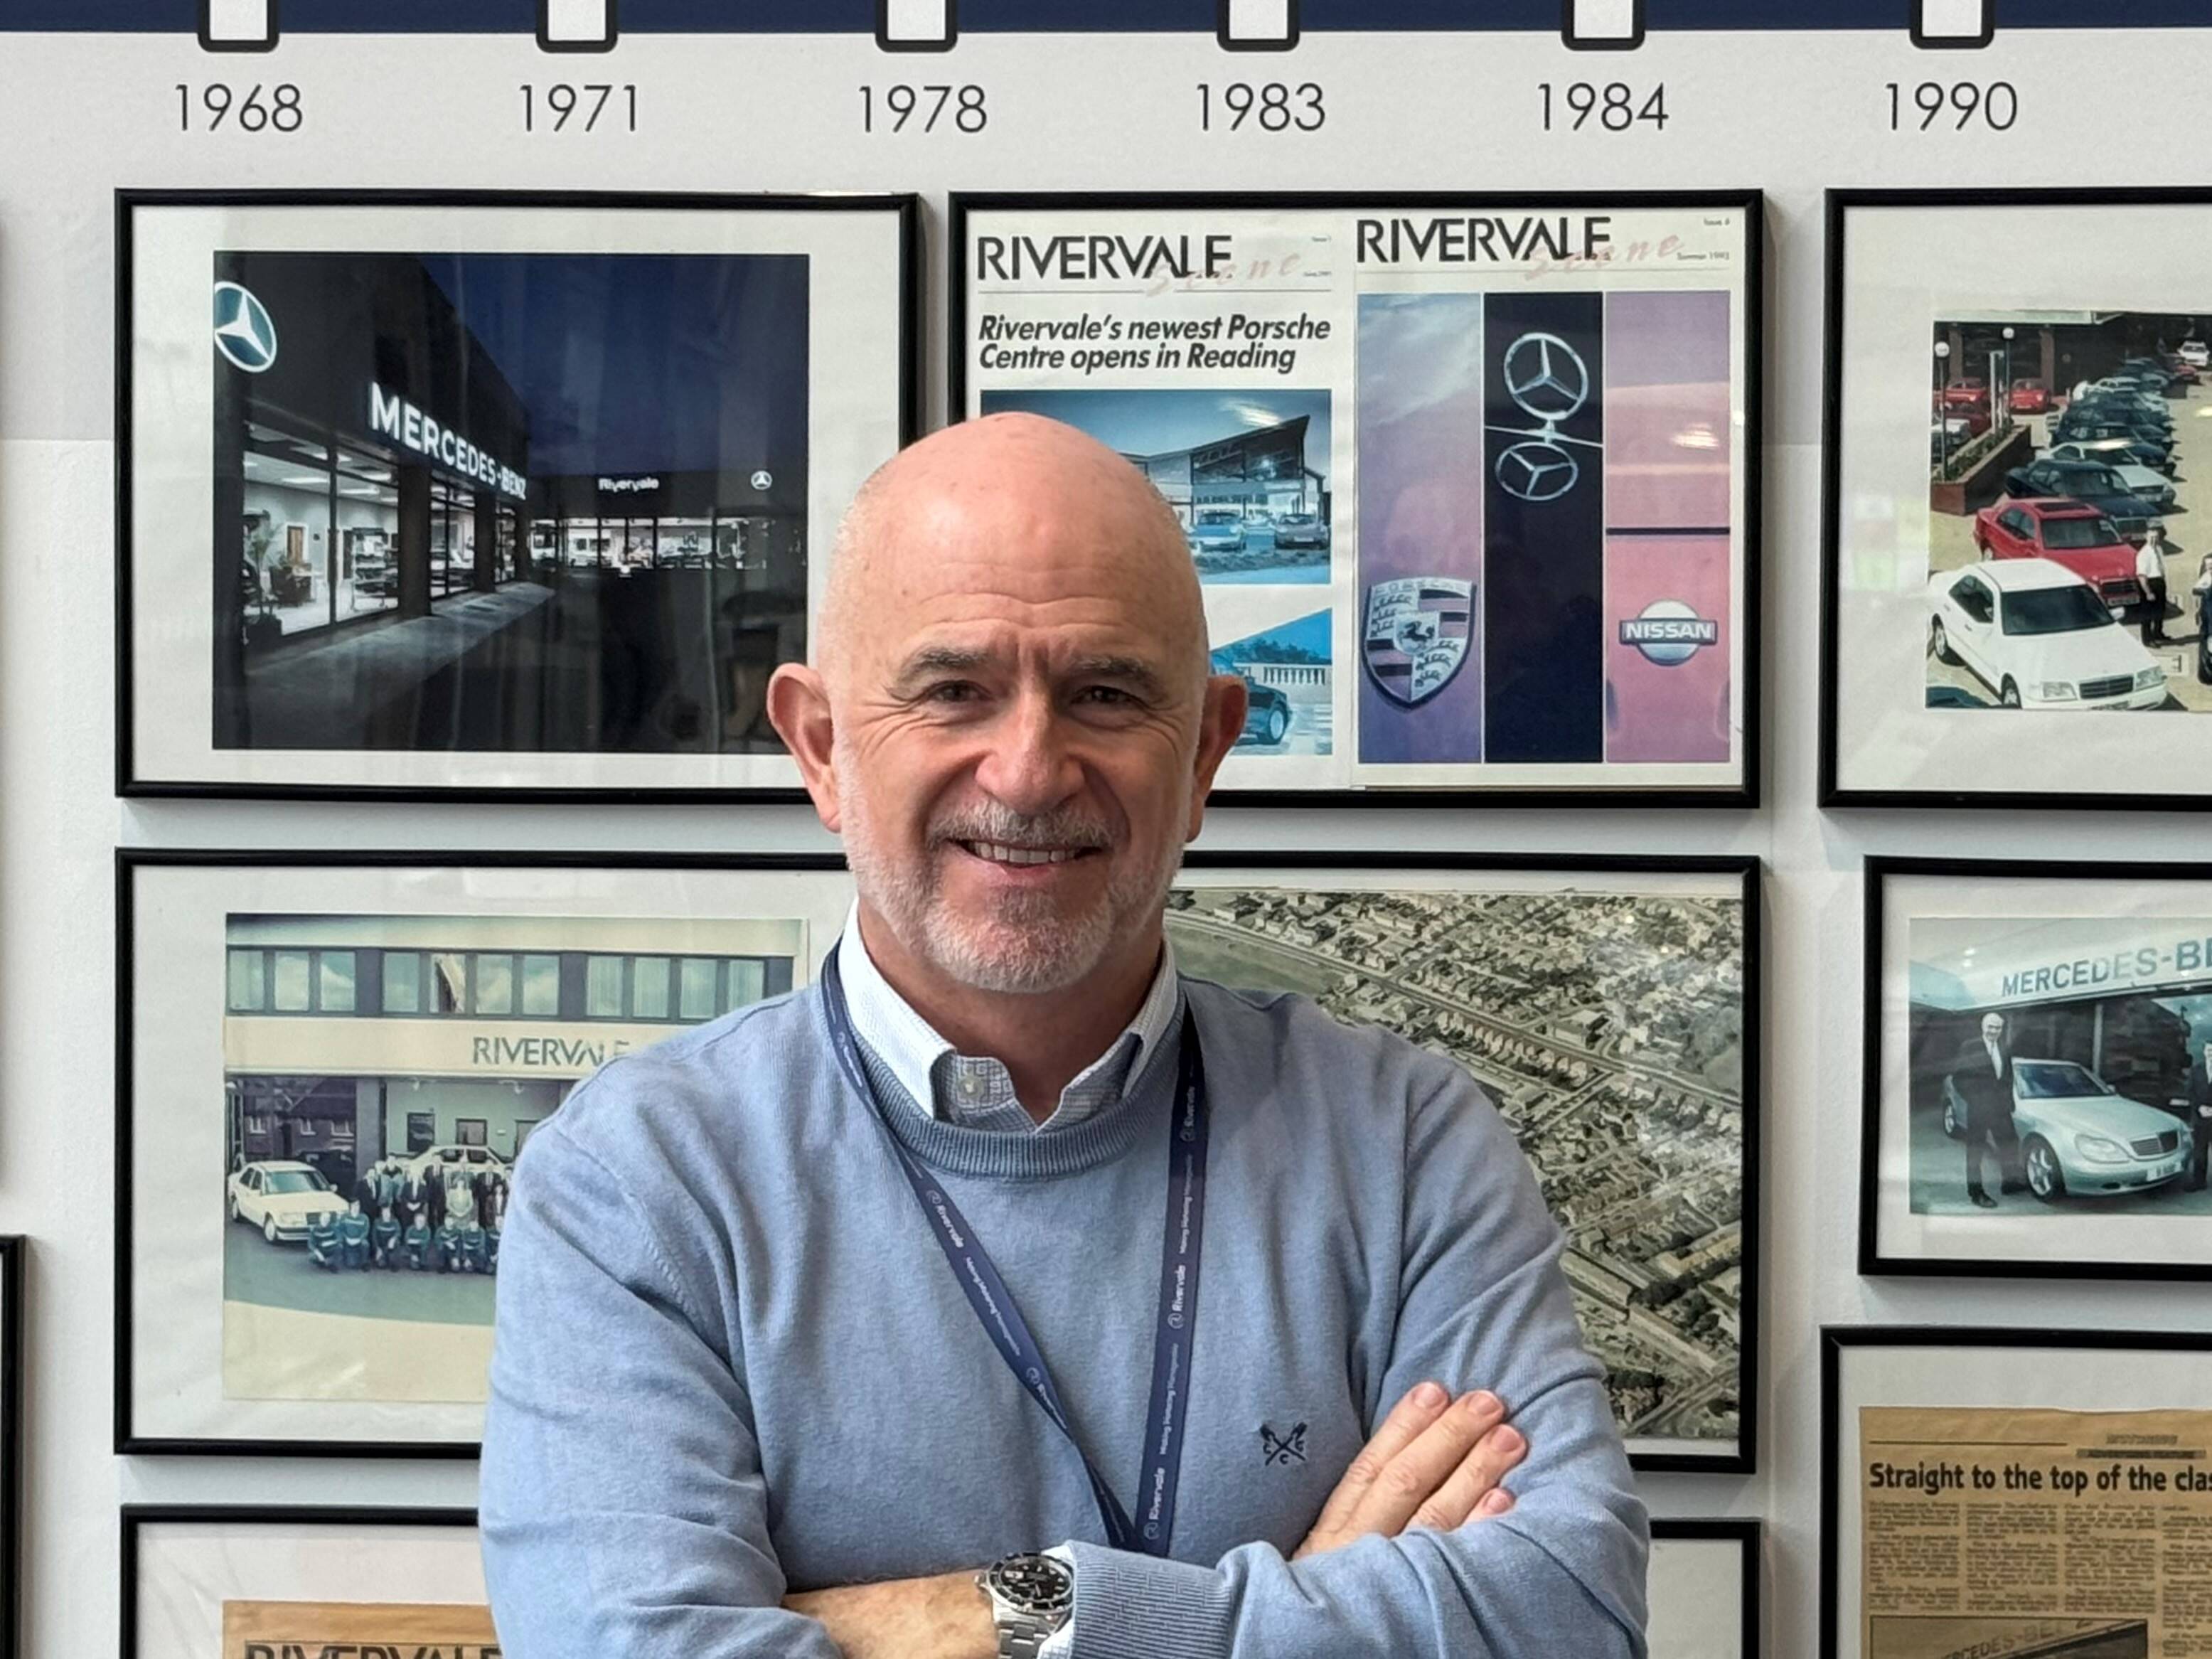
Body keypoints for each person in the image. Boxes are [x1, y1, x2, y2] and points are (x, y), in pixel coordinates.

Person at [479, 415, 1648, 1658]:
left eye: (1103, 692)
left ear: (1203, 751)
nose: (1029, 771)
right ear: (821, 747)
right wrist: (1298, 1608)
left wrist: (1018, 1614)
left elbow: (1564, 1611)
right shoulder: (640, 1181)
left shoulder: (1404, 1140)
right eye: (953, 690)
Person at [1950, 1011, 2021, 1209]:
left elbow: (2008, 1078)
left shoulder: (2003, 1048)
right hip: (1979, 1110)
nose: (1994, 1031)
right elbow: (1958, 1078)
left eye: (1998, 1028)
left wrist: (2009, 1103)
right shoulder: (1970, 1047)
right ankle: (1976, 1193)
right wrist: (1975, 1099)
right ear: (1983, 1027)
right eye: (1990, 1027)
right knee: (1975, 1152)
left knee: (2010, 1144)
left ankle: (2010, 1183)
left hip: (2001, 1110)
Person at [2138, 526, 2172, 645]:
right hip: (2149, 583)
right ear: (2146, 537)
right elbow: (2142, 576)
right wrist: (2148, 592)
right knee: (2148, 613)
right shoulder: (2143, 554)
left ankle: (2158, 633)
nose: (2154, 540)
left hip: (2159, 582)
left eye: (2156, 537)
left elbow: (2160, 567)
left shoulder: (2158, 549)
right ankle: (2147, 639)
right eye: (2151, 538)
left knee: (2160, 611)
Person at [2188, 1037, 2212, 1193]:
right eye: (2209, 1050)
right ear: (2204, 1052)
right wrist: (2199, 1108)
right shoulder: (2196, 1070)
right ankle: (2199, 1183)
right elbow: (2190, 1092)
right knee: (2200, 1152)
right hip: (2201, 1117)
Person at [336, 1197, 373, 1271]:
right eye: (354, 1205)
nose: (356, 1207)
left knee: (365, 1244)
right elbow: (340, 1230)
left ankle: (364, 1263)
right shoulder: (345, 1217)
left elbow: (366, 1231)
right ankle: (348, 1257)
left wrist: (360, 1239)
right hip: (348, 1241)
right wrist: (346, 1238)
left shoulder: (364, 1218)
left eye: (358, 1205)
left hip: (359, 1241)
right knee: (351, 1265)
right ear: (350, 1207)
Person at [371, 1202, 402, 1270]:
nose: (386, 1214)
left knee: (396, 1242)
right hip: (381, 1246)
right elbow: (374, 1236)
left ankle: (392, 1260)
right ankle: (382, 1258)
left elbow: (399, 1233)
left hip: (391, 1246)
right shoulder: (377, 1222)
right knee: (381, 1265)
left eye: (388, 1212)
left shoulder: (395, 1222)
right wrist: (377, 1249)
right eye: (384, 1212)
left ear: (391, 1213)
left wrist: (393, 1239)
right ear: (381, 1213)